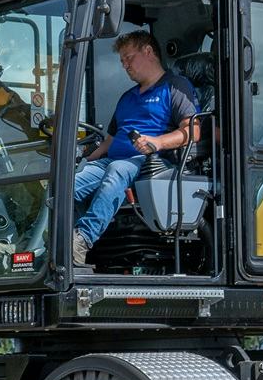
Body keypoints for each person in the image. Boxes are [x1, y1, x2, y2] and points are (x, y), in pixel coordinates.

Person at [71, 29, 199, 266]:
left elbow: (193, 131)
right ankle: (62, 241)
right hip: (112, 161)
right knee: (67, 184)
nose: (125, 65)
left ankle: (83, 239)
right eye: (122, 61)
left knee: (117, 170)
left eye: (128, 58)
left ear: (148, 51)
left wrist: (157, 142)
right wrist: (83, 160)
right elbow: (109, 142)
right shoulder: (127, 97)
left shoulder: (174, 87)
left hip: (151, 163)